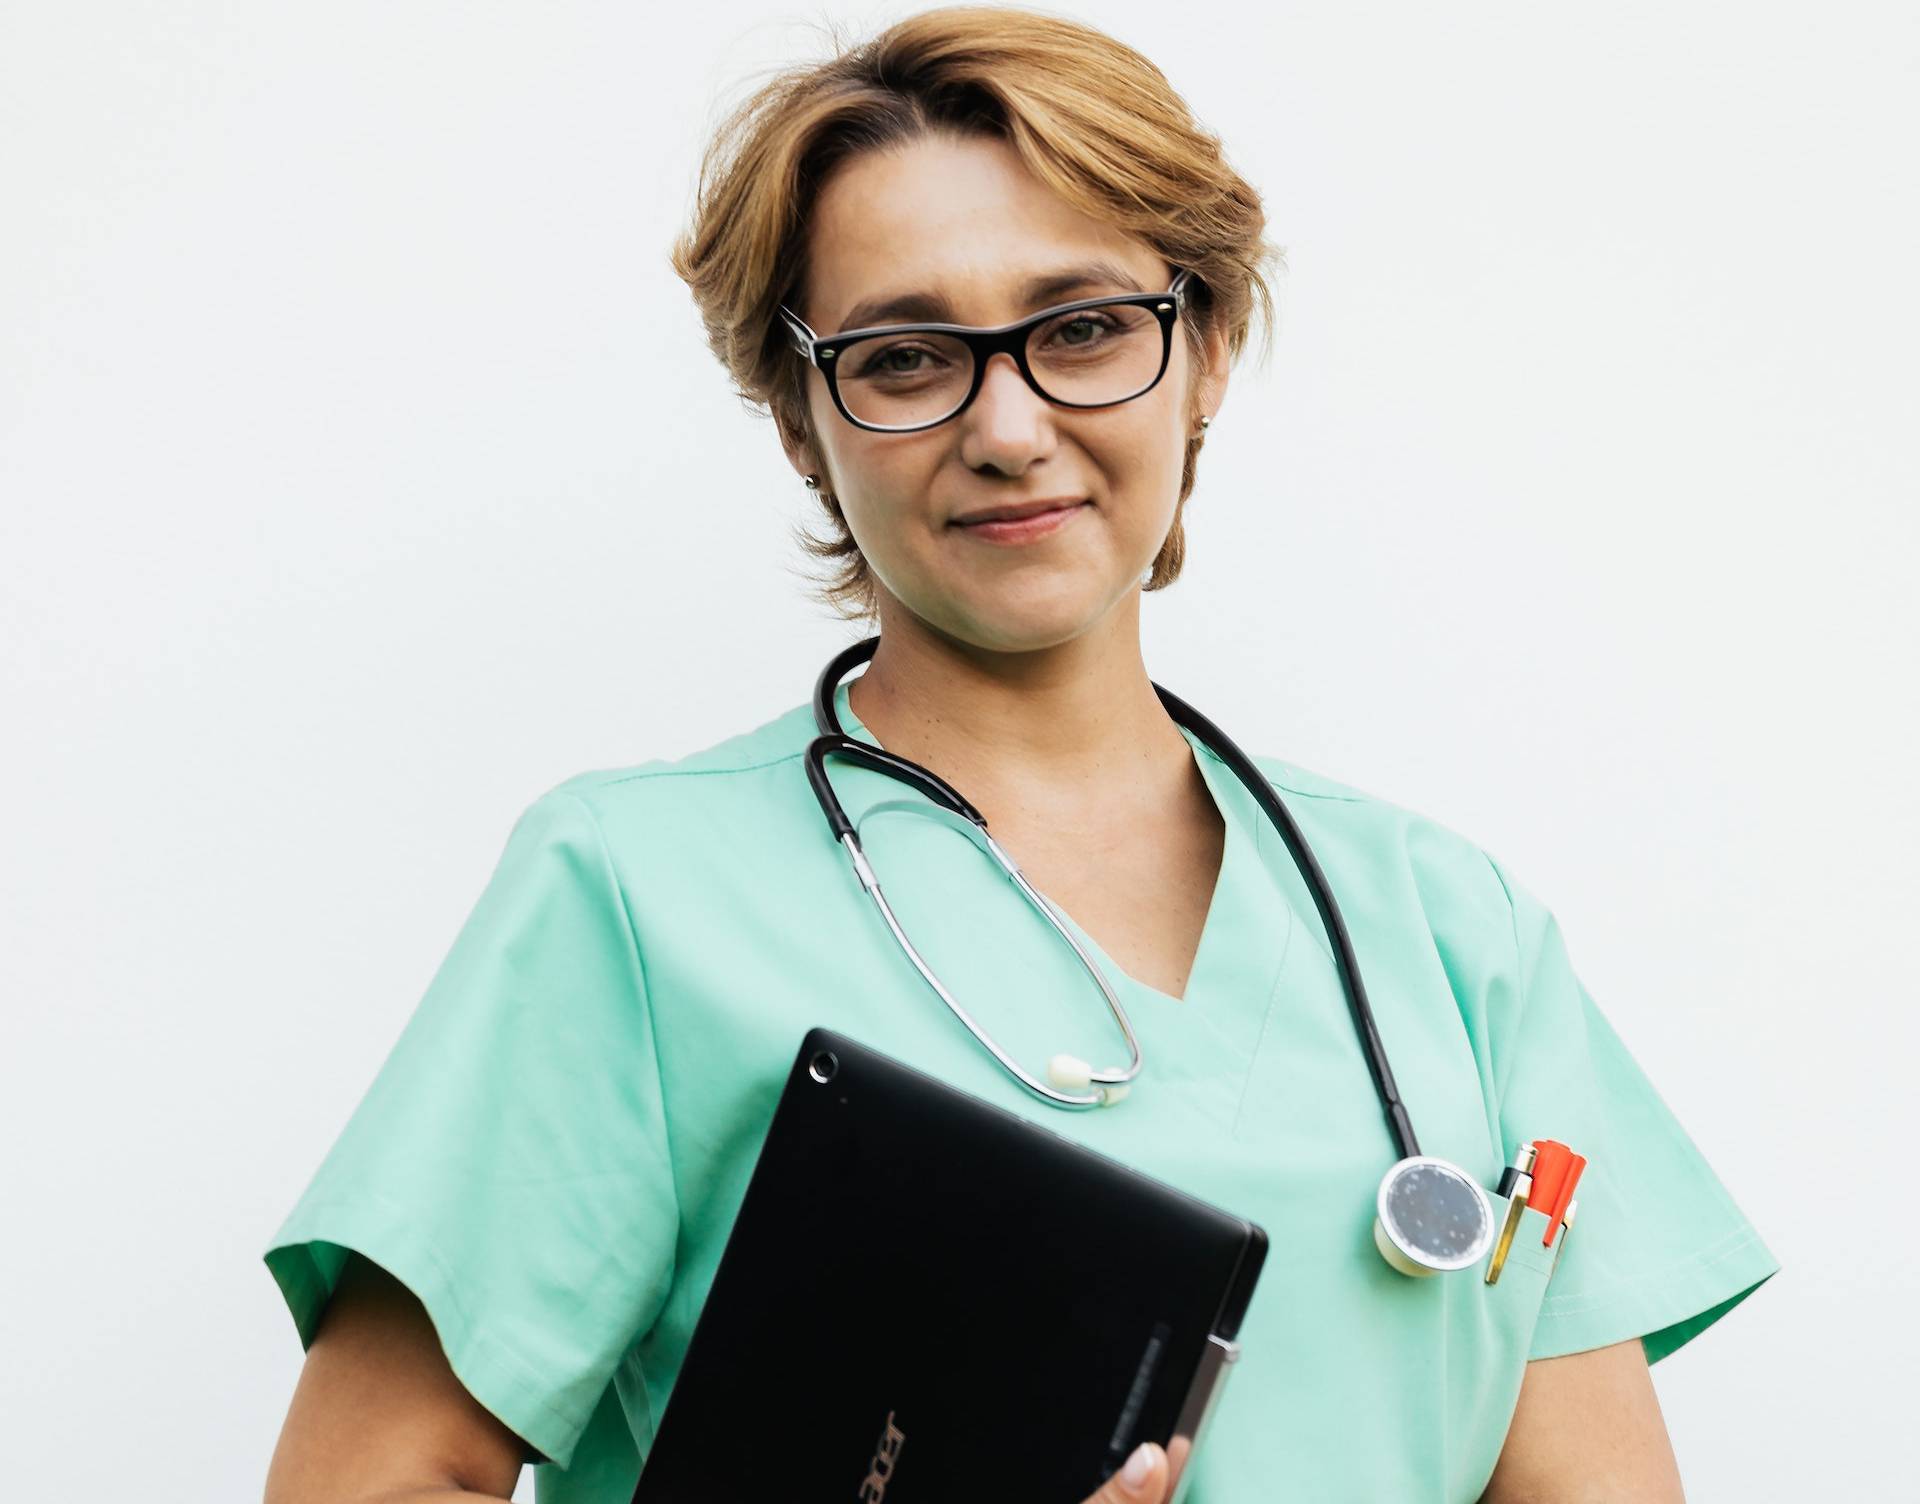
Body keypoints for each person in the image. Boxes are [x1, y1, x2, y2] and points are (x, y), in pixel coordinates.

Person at [259, 9, 1779, 1502]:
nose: (1007, 426)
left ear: (1210, 352)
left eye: (1086, 330)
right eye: (909, 357)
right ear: (803, 418)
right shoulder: (631, 900)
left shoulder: (1452, 934)